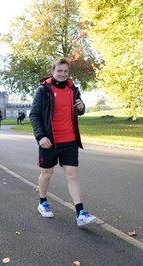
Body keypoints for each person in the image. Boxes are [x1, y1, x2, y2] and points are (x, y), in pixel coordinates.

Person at [29, 57, 97, 227]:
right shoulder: (43, 90)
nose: (62, 74)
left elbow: (78, 109)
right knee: (47, 173)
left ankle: (81, 213)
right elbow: (34, 115)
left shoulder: (73, 89)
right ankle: (42, 202)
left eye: (65, 71)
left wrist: (81, 108)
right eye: (59, 71)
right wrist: (40, 137)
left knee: (73, 175)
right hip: (49, 141)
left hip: (69, 140)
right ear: (52, 71)